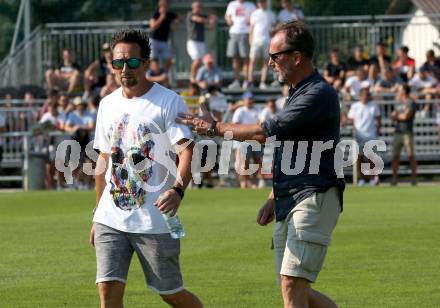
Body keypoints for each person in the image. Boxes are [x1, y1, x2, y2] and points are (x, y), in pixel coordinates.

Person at [177, 21, 344, 308]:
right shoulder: (299, 92)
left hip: (313, 194)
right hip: (291, 195)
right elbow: (290, 150)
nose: (269, 63)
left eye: (275, 56)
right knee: (294, 286)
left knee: (293, 283)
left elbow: (264, 133)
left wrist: (214, 127)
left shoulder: (317, 93)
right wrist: (273, 195)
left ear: (296, 57)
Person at [90, 29, 203, 308]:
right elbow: (103, 160)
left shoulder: (168, 101)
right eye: (118, 63)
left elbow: (186, 150)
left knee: (171, 293)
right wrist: (96, 213)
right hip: (110, 217)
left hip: (153, 219)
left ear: (147, 62)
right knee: (107, 289)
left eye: (132, 62)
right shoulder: (106, 104)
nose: (124, 69)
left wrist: (178, 189)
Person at [347, 86, 381, 186]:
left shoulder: (374, 105)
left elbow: (379, 119)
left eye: (368, 94)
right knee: (360, 158)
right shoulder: (355, 106)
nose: (366, 96)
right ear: (360, 96)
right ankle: (361, 178)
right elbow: (351, 119)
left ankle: (371, 178)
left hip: (371, 135)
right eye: (364, 95)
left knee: (371, 158)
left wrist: (378, 131)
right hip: (359, 136)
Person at [231, 91, 263, 189]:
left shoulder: (257, 110)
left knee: (258, 161)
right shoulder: (240, 111)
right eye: (248, 99)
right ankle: (245, 181)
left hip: (256, 139)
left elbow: (261, 122)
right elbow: (235, 124)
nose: (250, 101)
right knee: (245, 162)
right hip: (243, 140)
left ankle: (254, 180)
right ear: (244, 100)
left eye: (251, 98)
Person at [225, 0, 256, 89]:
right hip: (233, 33)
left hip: (245, 33)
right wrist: (228, 20)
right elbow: (227, 15)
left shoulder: (251, 5)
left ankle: (246, 81)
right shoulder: (232, 4)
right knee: (235, 59)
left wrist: (250, 21)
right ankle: (236, 81)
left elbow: (255, 17)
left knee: (246, 59)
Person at [391, 84, 417, 186]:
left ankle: (414, 178)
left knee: (411, 156)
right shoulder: (398, 102)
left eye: (400, 89)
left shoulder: (411, 102)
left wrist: (396, 116)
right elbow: (393, 115)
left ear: (404, 91)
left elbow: (406, 116)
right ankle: (394, 179)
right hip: (398, 132)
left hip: (407, 132)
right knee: (395, 157)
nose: (398, 91)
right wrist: (397, 116)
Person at [247, 0, 276, 89]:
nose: (262, 3)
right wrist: (250, 40)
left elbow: (273, 29)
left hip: (267, 41)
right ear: (258, 3)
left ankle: (262, 82)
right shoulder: (254, 14)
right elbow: (251, 28)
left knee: (265, 62)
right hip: (255, 42)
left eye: (263, 2)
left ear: (266, 3)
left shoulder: (271, 14)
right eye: (260, 2)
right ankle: (250, 82)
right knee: (252, 62)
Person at [186, 1, 216, 82]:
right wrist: (209, 20)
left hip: (201, 42)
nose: (198, 8)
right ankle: (192, 78)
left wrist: (212, 20)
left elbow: (212, 18)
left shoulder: (203, 16)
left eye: (199, 7)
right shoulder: (190, 14)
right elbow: (198, 19)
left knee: (200, 62)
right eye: (196, 7)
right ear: (193, 7)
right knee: (197, 60)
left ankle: (196, 78)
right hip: (192, 41)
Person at [149, 0, 180, 71]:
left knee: (170, 60)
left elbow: (178, 18)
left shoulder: (170, 14)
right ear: (161, 6)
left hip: (164, 41)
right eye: (165, 6)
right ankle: (155, 76)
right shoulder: (156, 14)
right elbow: (153, 26)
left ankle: (163, 74)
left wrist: (176, 23)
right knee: (154, 61)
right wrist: (161, 18)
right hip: (154, 40)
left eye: (167, 6)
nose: (166, 7)